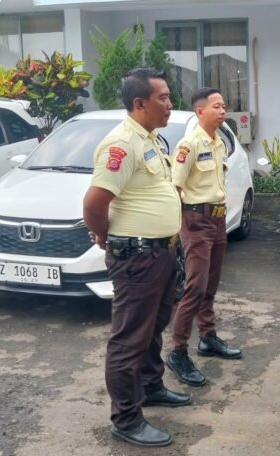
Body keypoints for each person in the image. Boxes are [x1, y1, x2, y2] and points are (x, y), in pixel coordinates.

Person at [82, 68, 189, 448]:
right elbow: (95, 203)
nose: (170, 104)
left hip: (160, 252)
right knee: (129, 338)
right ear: (139, 103)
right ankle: (126, 418)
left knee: (154, 324)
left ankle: (151, 386)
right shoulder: (121, 144)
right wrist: (104, 233)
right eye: (163, 98)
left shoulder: (152, 139)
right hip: (138, 256)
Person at [166, 87, 242, 387]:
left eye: (224, 106)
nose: (223, 111)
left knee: (210, 285)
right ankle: (177, 351)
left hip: (217, 220)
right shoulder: (190, 144)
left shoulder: (218, 141)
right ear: (200, 111)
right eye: (217, 106)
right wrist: (178, 228)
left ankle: (208, 338)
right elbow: (176, 187)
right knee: (194, 288)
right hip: (196, 221)